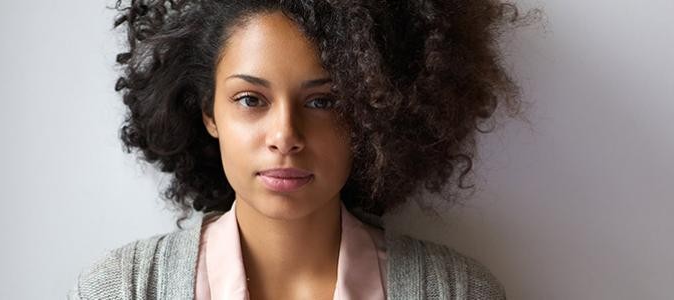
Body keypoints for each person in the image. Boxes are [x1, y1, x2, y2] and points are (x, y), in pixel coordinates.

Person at [72, 0, 531, 299]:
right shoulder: (122, 289)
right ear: (208, 113)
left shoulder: (457, 293)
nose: (285, 134)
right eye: (251, 100)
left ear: (375, 115)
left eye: (323, 102)